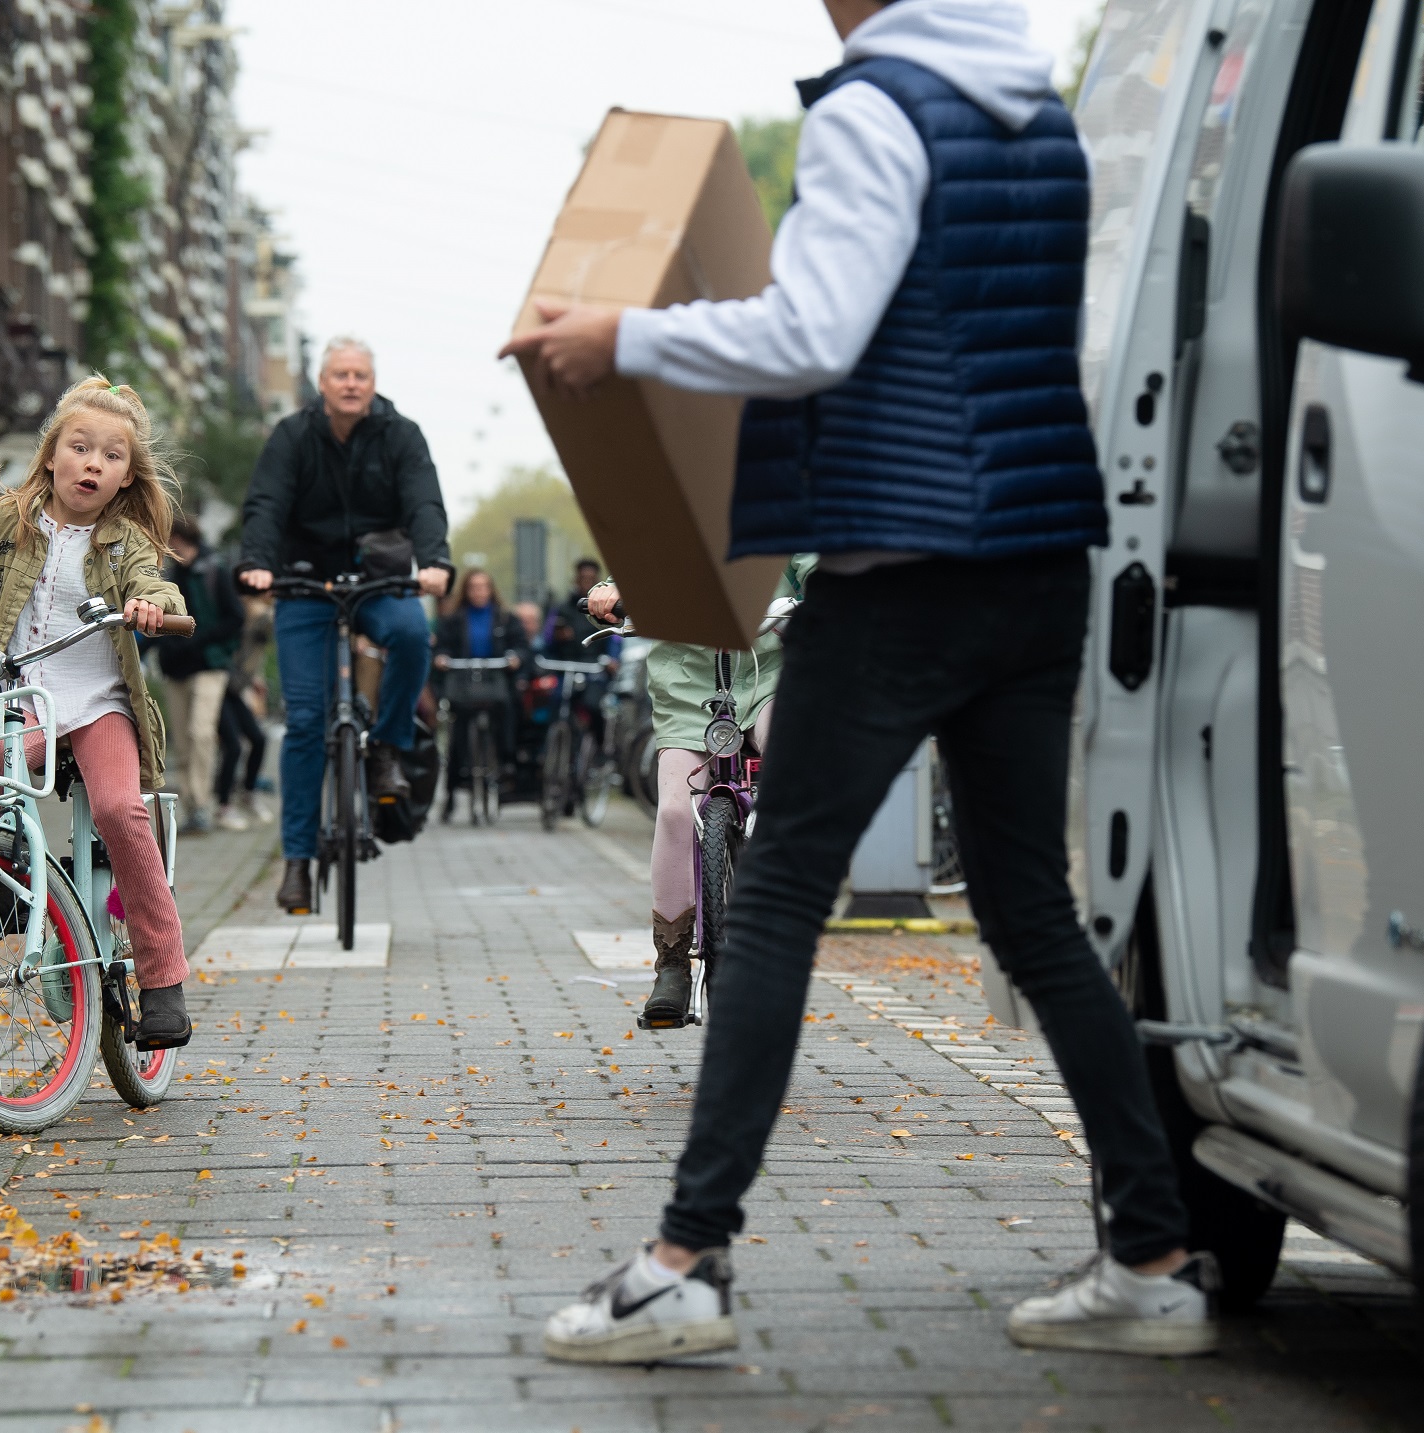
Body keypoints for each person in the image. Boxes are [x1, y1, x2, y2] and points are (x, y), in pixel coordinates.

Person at [506, 0, 1210, 1362]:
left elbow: (814, 333)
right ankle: (1154, 1254)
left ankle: (684, 1262)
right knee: (1030, 909)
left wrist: (624, 338)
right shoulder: (1040, 114)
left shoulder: (874, 108)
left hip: (899, 567)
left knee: (771, 898)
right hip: (1036, 557)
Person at [0, 376, 194, 1049]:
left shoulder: (125, 537)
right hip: (23, 700)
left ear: (126, 474)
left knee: (119, 810)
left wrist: (152, 606)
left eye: (110, 455)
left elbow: (153, 580)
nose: (93, 463)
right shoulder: (0, 522)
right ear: (51, 455)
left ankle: (162, 979)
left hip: (97, 702)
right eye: (80, 447)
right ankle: (16, 884)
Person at [236, 337, 454, 915]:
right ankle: (299, 862)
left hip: (380, 578)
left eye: (361, 374)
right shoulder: (293, 436)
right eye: (341, 374)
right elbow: (266, 503)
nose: (352, 383)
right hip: (305, 581)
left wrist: (434, 561)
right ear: (323, 382)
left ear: (373, 381)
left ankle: (386, 744)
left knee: (410, 636)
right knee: (307, 721)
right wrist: (257, 562)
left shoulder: (401, 435)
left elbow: (424, 502)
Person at [585, 557, 810, 1027]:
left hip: (769, 673)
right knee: (672, 813)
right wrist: (608, 591)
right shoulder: (675, 505)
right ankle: (671, 966)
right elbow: (639, 554)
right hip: (687, 687)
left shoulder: (777, 499)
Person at [156, 515, 246, 834]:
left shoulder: (214, 570)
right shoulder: (170, 575)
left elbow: (235, 618)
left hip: (209, 666)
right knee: (181, 740)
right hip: (177, 668)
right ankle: (192, 808)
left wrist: (198, 638)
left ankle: (204, 804)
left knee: (201, 732)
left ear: (180, 539)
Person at [432, 568, 529, 815]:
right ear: (466, 590)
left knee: (508, 711)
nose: (478, 592)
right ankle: (452, 790)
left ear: (491, 589)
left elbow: (521, 645)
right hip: (464, 682)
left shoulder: (505, 619)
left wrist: (516, 658)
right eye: (473, 587)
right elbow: (440, 646)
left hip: (495, 681)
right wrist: (441, 658)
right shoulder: (454, 620)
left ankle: (505, 762)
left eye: (483, 586)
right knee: (458, 734)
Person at [212, 593, 275, 831]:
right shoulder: (241, 621)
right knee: (233, 746)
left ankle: (248, 793)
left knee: (259, 739)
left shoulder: (260, 629)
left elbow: (253, 657)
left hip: (236, 690)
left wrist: (256, 679)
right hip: (219, 686)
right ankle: (223, 807)